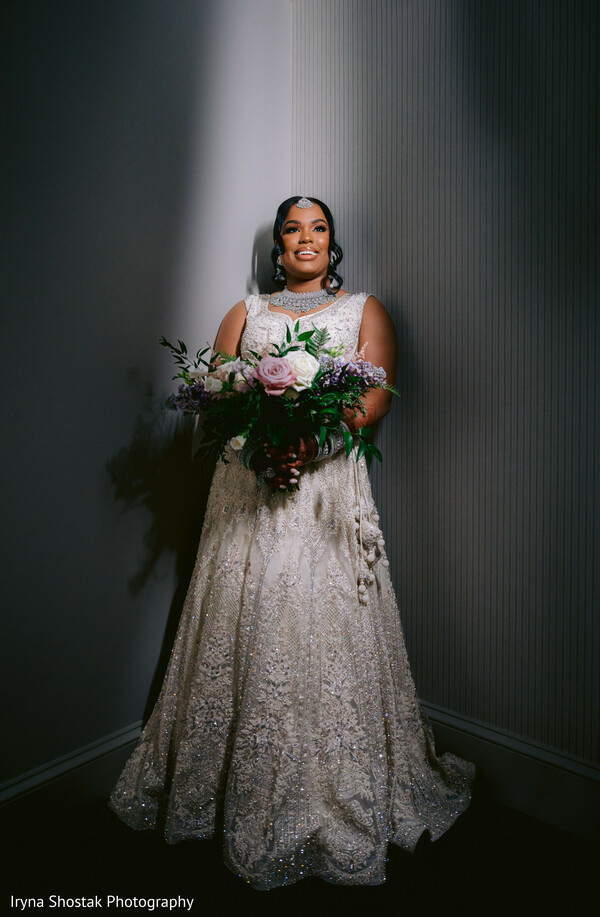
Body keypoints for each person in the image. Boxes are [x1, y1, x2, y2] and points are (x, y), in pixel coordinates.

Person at [109, 196, 474, 889]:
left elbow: (375, 397)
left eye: (318, 228)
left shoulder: (365, 310)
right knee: (247, 622)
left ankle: (331, 787)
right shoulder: (245, 314)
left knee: (320, 625)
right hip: (248, 489)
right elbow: (218, 395)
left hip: (327, 490)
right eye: (291, 229)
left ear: (330, 245)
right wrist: (258, 450)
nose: (305, 238)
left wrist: (309, 444)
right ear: (278, 248)